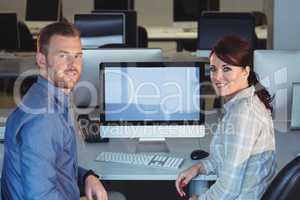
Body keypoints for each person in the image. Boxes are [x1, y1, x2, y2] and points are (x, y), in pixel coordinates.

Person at [1, 22, 125, 200]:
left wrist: (86, 176)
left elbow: (57, 164)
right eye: (63, 56)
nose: (73, 64)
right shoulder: (43, 119)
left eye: (77, 56)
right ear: (42, 60)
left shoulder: (48, 98)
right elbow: (40, 197)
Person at [175, 35, 276, 200]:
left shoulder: (244, 114)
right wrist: (200, 167)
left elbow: (229, 189)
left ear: (245, 71)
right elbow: (227, 158)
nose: (217, 77)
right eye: (213, 69)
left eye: (226, 69)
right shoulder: (243, 104)